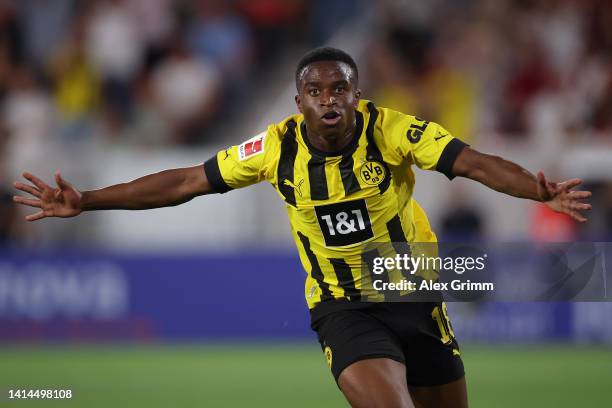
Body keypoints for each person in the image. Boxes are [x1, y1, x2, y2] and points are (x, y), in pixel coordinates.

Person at [13, 47, 591, 408]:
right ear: (299, 102)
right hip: (344, 308)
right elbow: (188, 181)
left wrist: (534, 187)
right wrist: (87, 199)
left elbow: (474, 162)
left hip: (414, 293)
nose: (328, 100)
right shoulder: (273, 148)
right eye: (315, 92)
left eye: (339, 88)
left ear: (356, 95)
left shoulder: (392, 130)